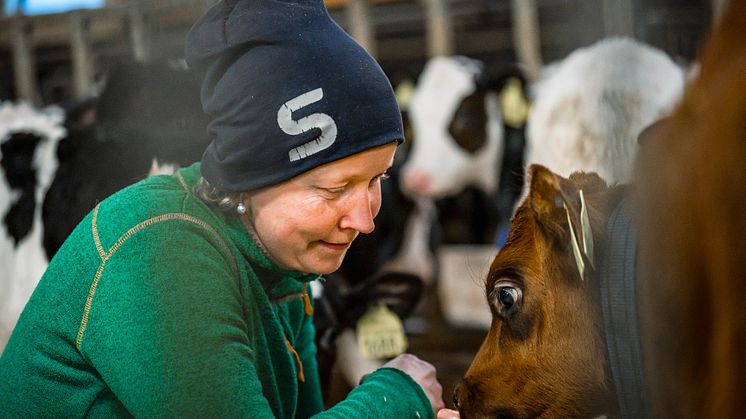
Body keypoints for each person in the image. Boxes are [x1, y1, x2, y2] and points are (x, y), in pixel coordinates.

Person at [0, 0, 447, 417]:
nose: (365, 220)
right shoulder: (162, 249)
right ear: (250, 176)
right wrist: (395, 400)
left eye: (377, 178)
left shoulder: (285, 267)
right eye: (333, 189)